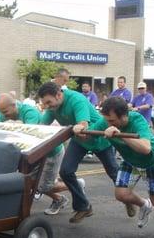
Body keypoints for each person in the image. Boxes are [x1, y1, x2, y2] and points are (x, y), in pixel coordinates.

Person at [37, 82, 132, 223]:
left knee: (113, 172)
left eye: (49, 102)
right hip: (79, 141)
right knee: (66, 171)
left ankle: (128, 198)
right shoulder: (52, 106)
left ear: (58, 94)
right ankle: (83, 207)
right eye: (45, 104)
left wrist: (79, 128)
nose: (48, 106)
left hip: (99, 139)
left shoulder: (76, 100)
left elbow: (83, 126)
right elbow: (40, 127)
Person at [85, 97, 154, 238]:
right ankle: (144, 205)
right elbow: (88, 135)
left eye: (112, 121)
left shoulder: (137, 120)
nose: (108, 124)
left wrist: (120, 134)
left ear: (124, 116)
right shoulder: (106, 122)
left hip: (152, 161)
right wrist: (80, 129)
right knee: (121, 194)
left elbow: (146, 148)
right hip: (130, 161)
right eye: (107, 120)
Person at [0, 93, 85, 215]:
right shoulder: (4, 114)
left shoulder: (29, 112)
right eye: (1, 112)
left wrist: (15, 125)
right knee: (29, 182)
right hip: (32, 154)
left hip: (50, 152)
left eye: (5, 112)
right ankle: (59, 199)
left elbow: (29, 130)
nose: (3, 115)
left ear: (14, 105)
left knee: (44, 186)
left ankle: (76, 184)